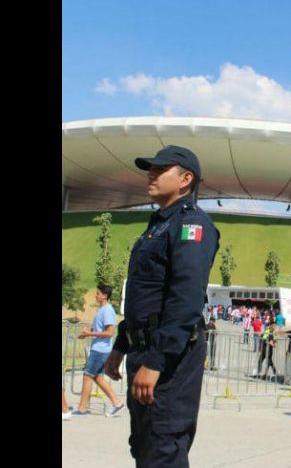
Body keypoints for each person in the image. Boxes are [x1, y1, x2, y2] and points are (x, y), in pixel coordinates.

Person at [104, 145, 220, 468]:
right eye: (150, 169)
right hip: (144, 351)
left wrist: (156, 362)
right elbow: (146, 297)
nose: (150, 175)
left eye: (160, 169)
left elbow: (185, 300)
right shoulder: (158, 226)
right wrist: (120, 346)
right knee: (144, 446)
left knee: (163, 450)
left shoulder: (191, 226)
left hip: (168, 359)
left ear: (186, 179)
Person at [73, 283, 126, 417]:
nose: (96, 295)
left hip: (100, 350)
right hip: (99, 349)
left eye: (98, 293)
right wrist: (87, 333)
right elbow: (100, 329)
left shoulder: (108, 310)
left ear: (104, 296)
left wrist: (90, 334)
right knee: (97, 377)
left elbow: (109, 332)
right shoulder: (102, 310)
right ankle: (117, 403)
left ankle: (82, 408)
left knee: (87, 376)